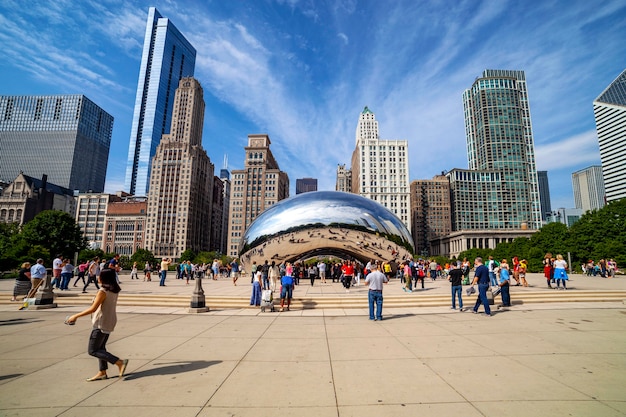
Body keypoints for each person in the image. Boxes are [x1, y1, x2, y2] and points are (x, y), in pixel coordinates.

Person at [65, 269, 129, 382]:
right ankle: (102, 372)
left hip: (101, 322)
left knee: (93, 350)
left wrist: (75, 316)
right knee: (101, 348)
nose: (98, 277)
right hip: (110, 320)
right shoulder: (114, 289)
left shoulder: (103, 291)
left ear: (104, 278)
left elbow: (93, 308)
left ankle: (119, 362)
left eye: (100, 275)